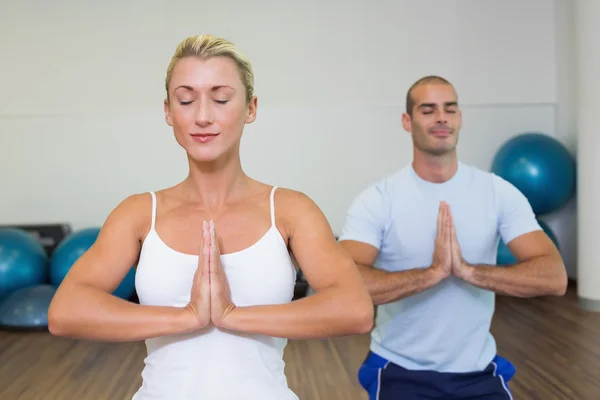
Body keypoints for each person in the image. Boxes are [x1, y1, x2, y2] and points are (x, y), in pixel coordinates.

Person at [47, 34, 374, 400]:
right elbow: (66, 311)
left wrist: (232, 315)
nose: (202, 116)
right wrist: (186, 317)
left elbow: (354, 309)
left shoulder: (290, 210)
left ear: (250, 108)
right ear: (169, 112)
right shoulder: (139, 213)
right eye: (186, 100)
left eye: (220, 99)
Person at [338, 75, 568, 399]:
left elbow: (555, 277)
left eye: (450, 109)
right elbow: (342, 283)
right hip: (400, 371)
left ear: (460, 118)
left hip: (478, 372)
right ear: (407, 121)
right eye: (428, 110)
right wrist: (431, 274)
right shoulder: (378, 199)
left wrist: (469, 271)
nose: (442, 117)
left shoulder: (498, 192)